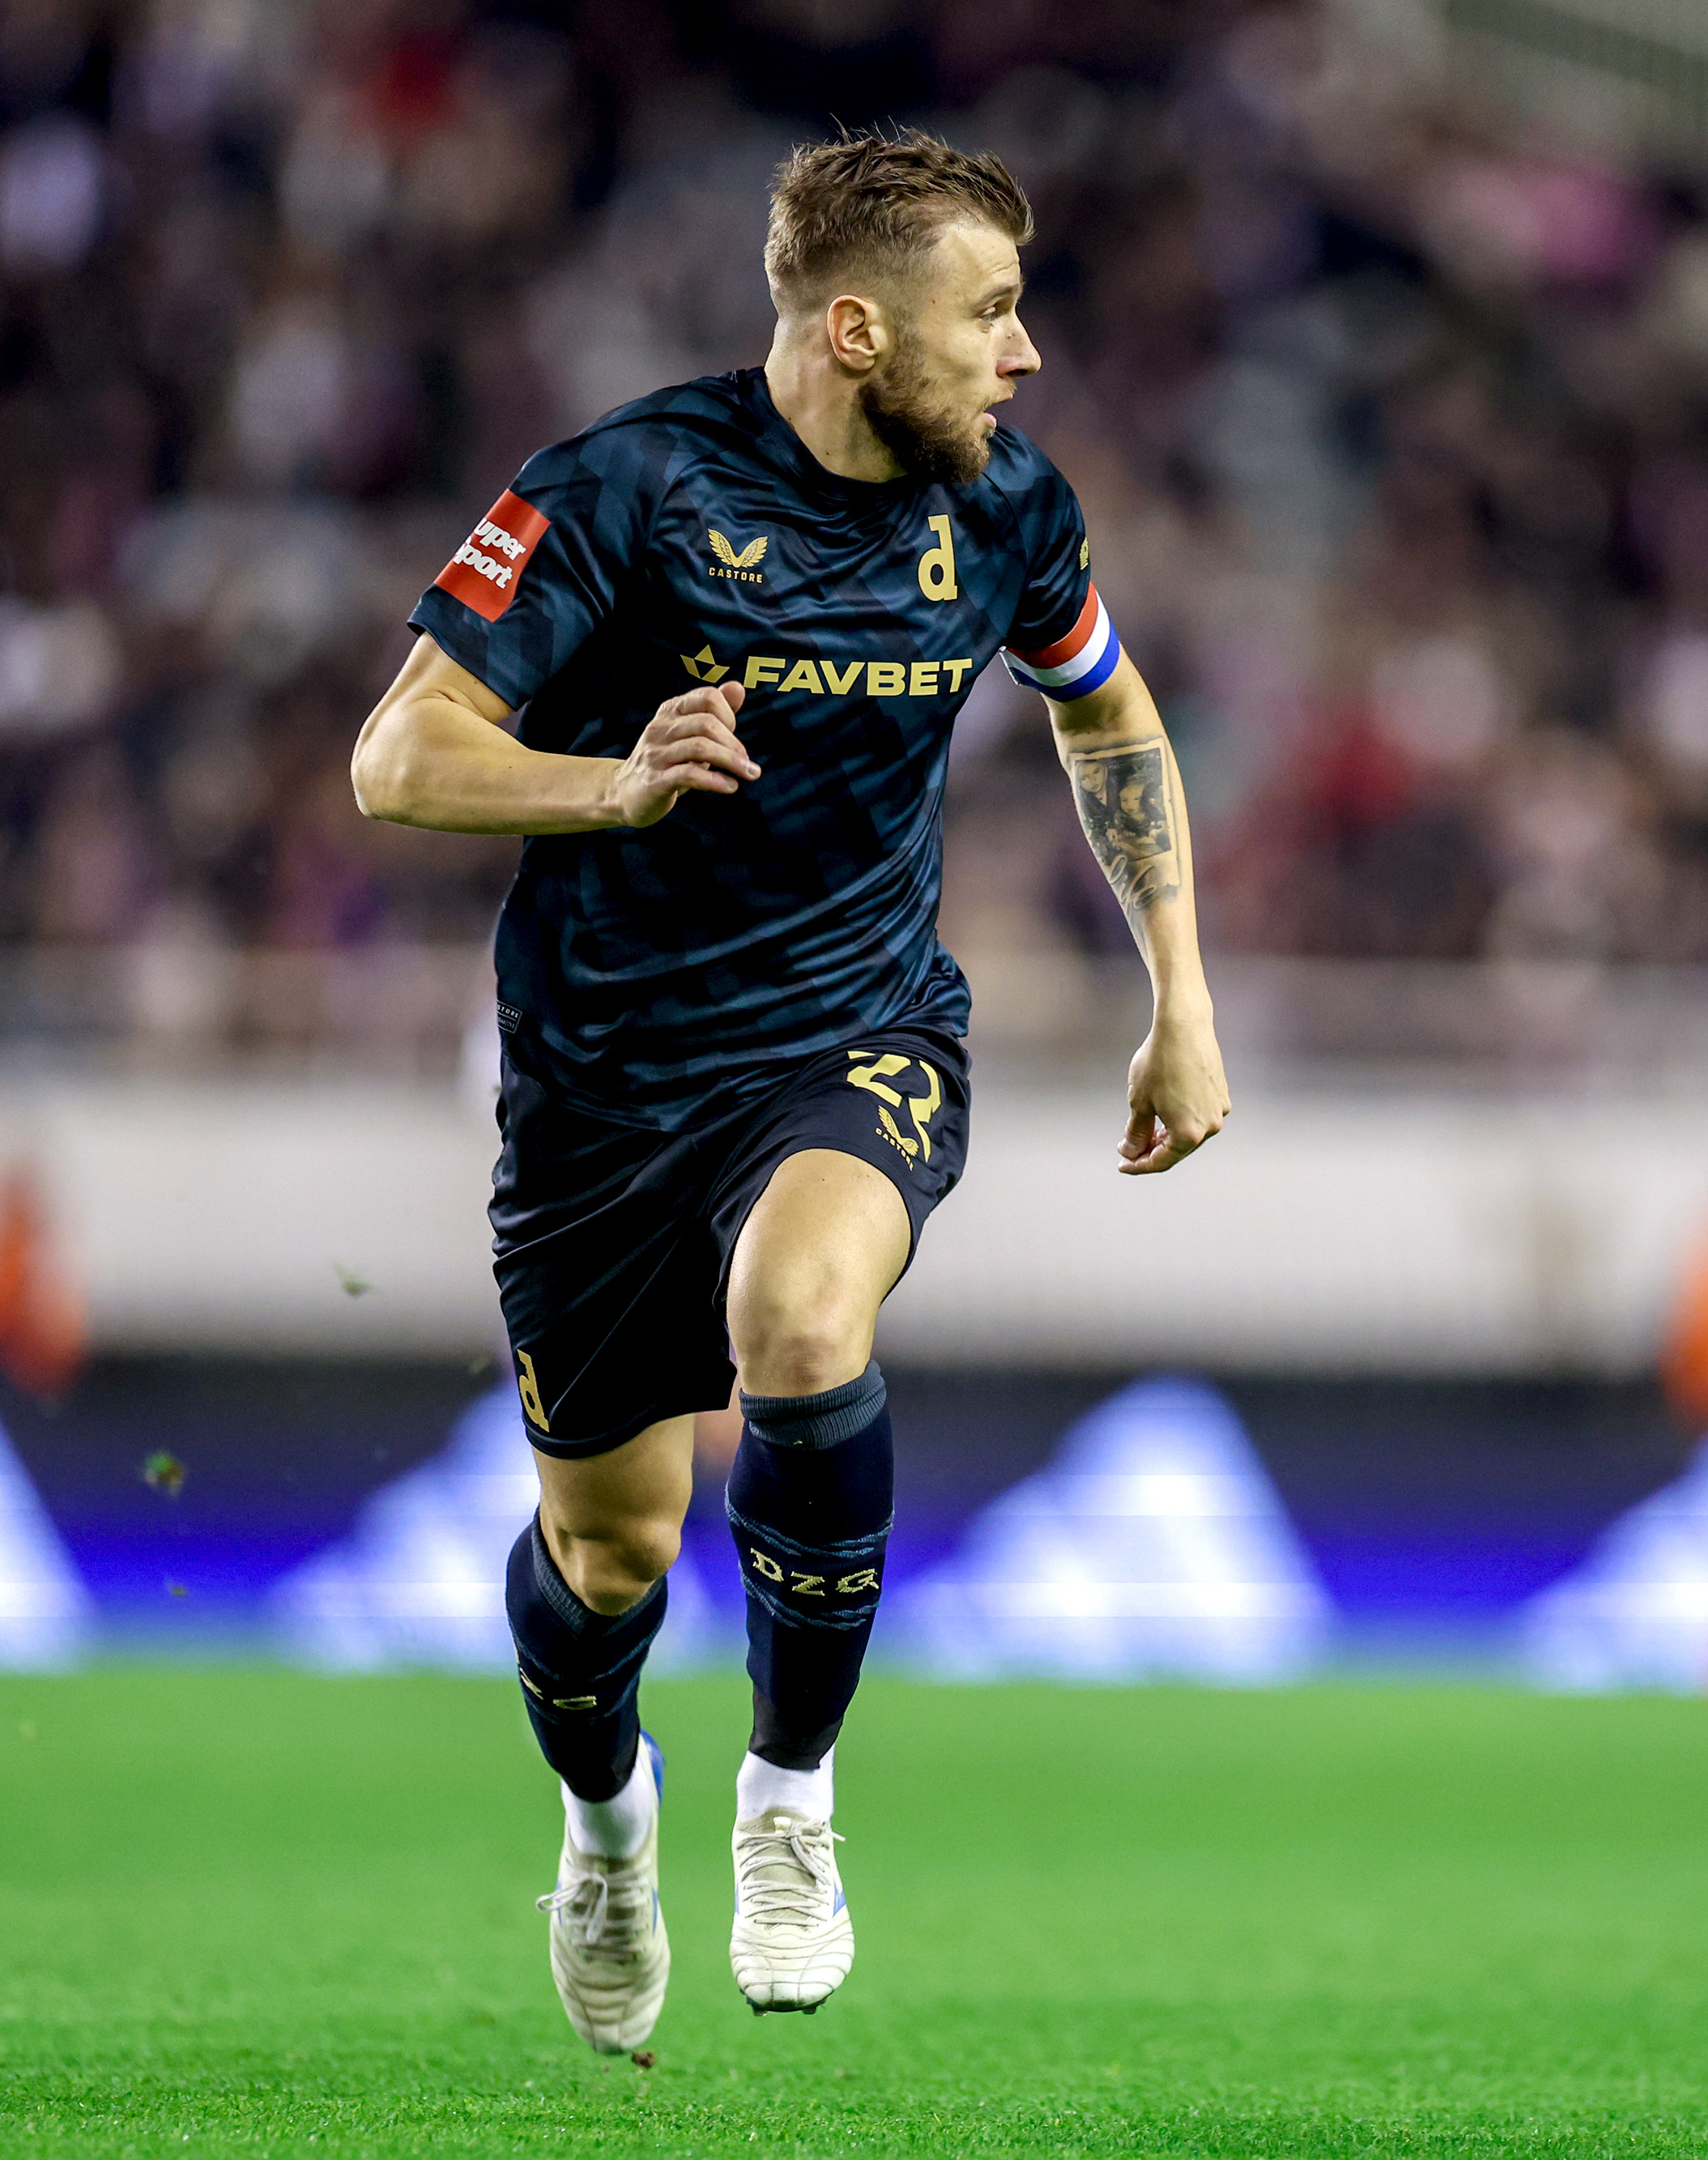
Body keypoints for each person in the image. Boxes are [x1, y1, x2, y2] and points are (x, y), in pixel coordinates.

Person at [349, 130, 1231, 2047]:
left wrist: (1179, 988)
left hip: (856, 1032)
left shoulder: (1007, 509)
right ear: (854, 329)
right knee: (608, 1558)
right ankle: (605, 1823)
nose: (1024, 355)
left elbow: (1106, 709)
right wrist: (612, 783)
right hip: (601, 1085)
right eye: (989, 313)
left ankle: (788, 1799)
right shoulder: (622, 488)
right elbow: (396, 756)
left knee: (802, 1316)